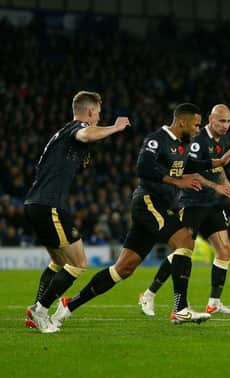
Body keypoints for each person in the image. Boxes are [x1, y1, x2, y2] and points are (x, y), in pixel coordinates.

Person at [48, 103, 230, 332]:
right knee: (184, 241)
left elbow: (190, 164)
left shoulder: (180, 145)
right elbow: (143, 167)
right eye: (196, 124)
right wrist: (175, 181)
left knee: (122, 269)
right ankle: (180, 309)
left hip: (157, 207)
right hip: (148, 202)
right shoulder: (157, 139)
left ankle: (68, 305)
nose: (198, 129)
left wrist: (218, 162)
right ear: (182, 122)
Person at [24, 91, 130, 333]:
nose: (98, 117)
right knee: (79, 263)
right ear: (90, 111)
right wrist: (113, 128)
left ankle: (35, 313)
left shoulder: (60, 134)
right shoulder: (78, 127)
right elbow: (86, 133)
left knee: (58, 262)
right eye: (99, 113)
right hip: (49, 205)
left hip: (35, 204)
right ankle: (39, 310)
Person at [138, 104, 230, 316]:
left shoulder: (222, 141)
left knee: (224, 250)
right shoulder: (195, 139)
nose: (226, 126)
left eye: (229, 121)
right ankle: (149, 294)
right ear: (210, 120)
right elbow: (192, 171)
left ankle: (214, 302)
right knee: (183, 250)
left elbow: (218, 168)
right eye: (221, 121)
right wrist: (217, 187)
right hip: (191, 202)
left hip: (211, 203)